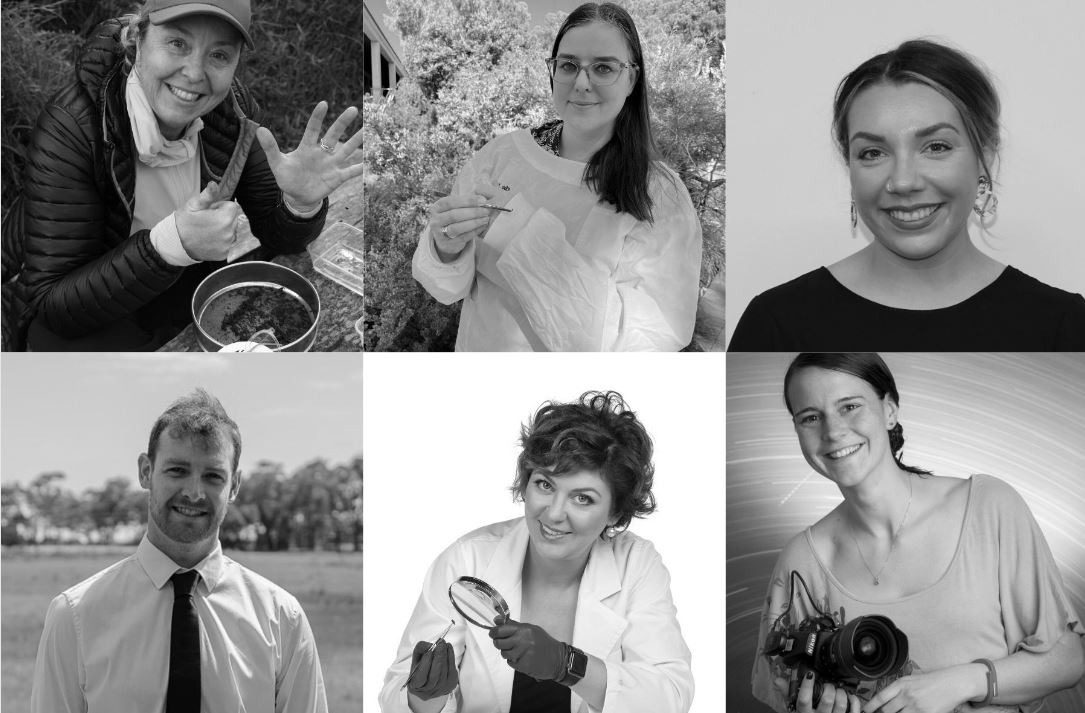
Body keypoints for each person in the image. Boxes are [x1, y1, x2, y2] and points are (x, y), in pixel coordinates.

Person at [11, 0, 362, 350]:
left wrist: (299, 204)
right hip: (84, 325)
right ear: (137, 37)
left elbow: (280, 236)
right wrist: (171, 244)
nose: (194, 73)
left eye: (219, 55)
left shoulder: (232, 114)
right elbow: (52, 305)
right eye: (177, 44)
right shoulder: (73, 128)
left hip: (182, 299)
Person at [752, 353, 1085, 713]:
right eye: (810, 417)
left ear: (890, 409)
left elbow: (1067, 659)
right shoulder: (802, 563)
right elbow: (782, 690)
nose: (832, 431)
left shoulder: (988, 508)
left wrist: (960, 683)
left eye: (849, 406)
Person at [728, 40, 1085, 351]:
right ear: (849, 166)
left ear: (984, 156)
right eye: (872, 153)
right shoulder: (776, 324)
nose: (903, 181)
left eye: (936, 146)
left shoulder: (1064, 326)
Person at [411, 2, 702, 352]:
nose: (581, 83)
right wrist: (445, 248)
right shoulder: (500, 155)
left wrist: (519, 235)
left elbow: (651, 341)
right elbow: (447, 289)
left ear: (632, 78)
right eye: (568, 66)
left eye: (603, 68)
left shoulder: (659, 194)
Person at [380, 391, 694, 712]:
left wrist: (566, 664)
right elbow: (396, 694)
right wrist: (424, 697)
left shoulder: (637, 565)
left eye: (582, 498)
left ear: (615, 512)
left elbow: (670, 696)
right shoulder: (466, 559)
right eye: (545, 484)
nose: (554, 513)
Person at [30, 388, 328, 712]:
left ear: (235, 486)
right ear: (146, 471)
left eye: (213, 476)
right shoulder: (74, 617)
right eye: (177, 470)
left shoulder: (283, 619)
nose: (194, 492)